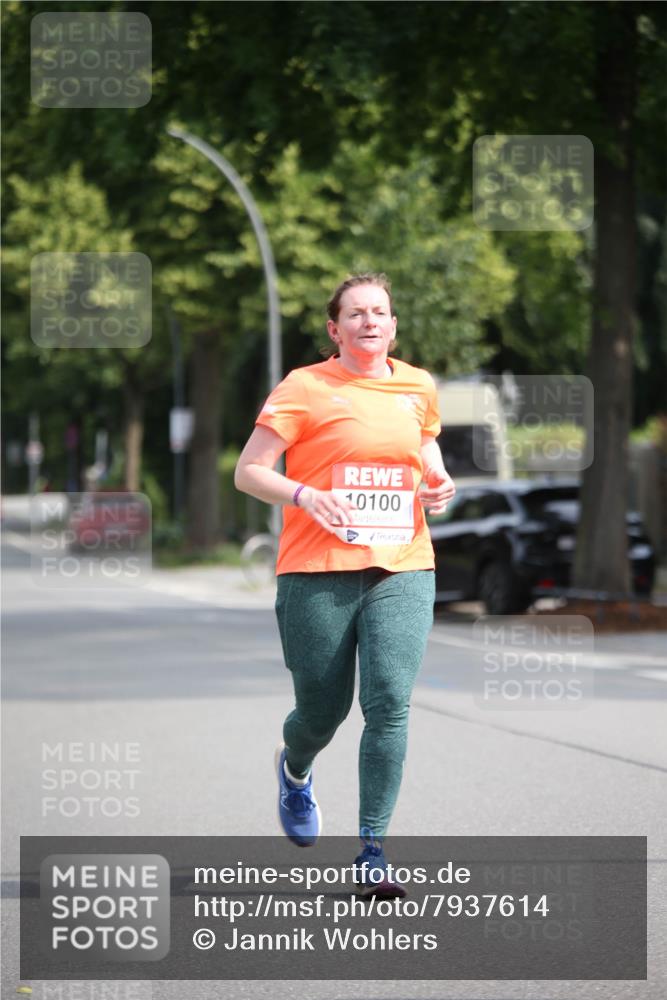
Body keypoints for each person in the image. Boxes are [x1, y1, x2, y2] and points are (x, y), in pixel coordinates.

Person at [235, 273, 455, 897]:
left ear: (393, 325)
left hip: (402, 564)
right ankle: (295, 768)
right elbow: (249, 471)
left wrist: (440, 484)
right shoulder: (304, 387)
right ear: (335, 329)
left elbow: (427, 459)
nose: (369, 321)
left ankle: (372, 851)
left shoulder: (418, 386)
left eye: (379, 312)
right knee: (322, 711)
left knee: (389, 703)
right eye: (356, 313)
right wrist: (306, 495)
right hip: (316, 569)